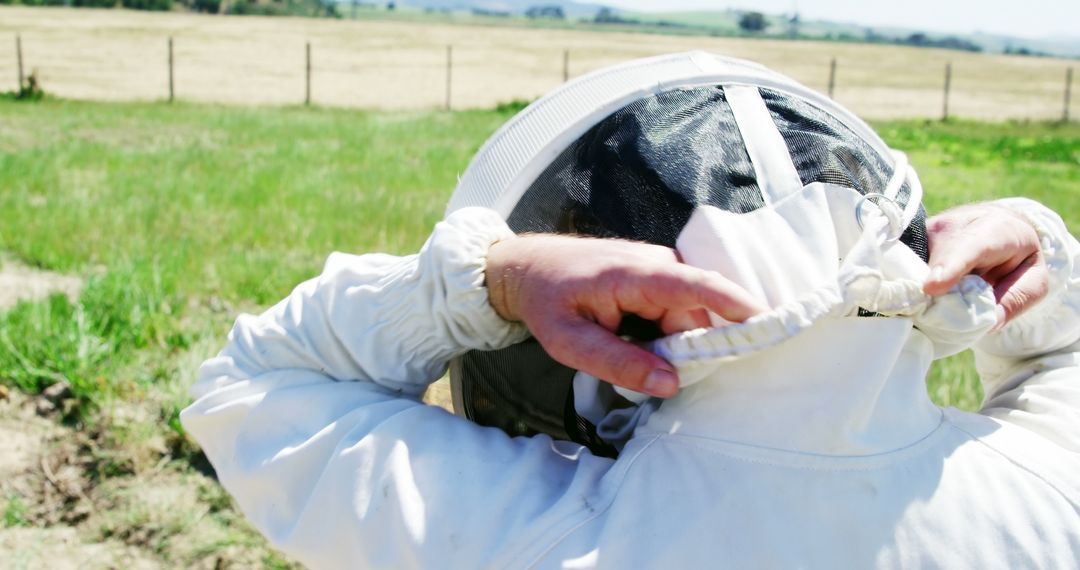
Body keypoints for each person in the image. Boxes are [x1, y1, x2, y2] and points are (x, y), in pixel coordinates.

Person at [180, 53, 1080, 568]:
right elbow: (1063, 359)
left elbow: (250, 390)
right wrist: (1042, 247)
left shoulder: (536, 538)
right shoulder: (1048, 488)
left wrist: (485, 281)